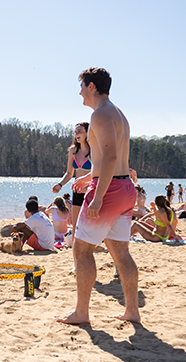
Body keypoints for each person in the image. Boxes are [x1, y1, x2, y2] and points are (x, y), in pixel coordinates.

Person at [56, 67, 139, 325]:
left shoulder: (100, 115)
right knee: (120, 252)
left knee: (81, 250)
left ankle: (81, 312)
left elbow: (110, 157)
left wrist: (99, 196)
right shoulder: (118, 114)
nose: (79, 90)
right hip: (125, 189)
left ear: (91, 86)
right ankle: (132, 312)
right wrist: (87, 177)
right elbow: (108, 158)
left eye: (81, 85)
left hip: (110, 190)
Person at [52, 122, 91, 240]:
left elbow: (97, 172)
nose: (76, 134)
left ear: (88, 133)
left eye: (80, 131)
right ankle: (75, 246)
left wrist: (86, 183)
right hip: (77, 190)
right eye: (75, 131)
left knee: (90, 221)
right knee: (76, 224)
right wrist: (60, 184)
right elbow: (69, 173)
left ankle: (93, 244)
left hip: (91, 190)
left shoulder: (94, 150)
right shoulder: (73, 150)